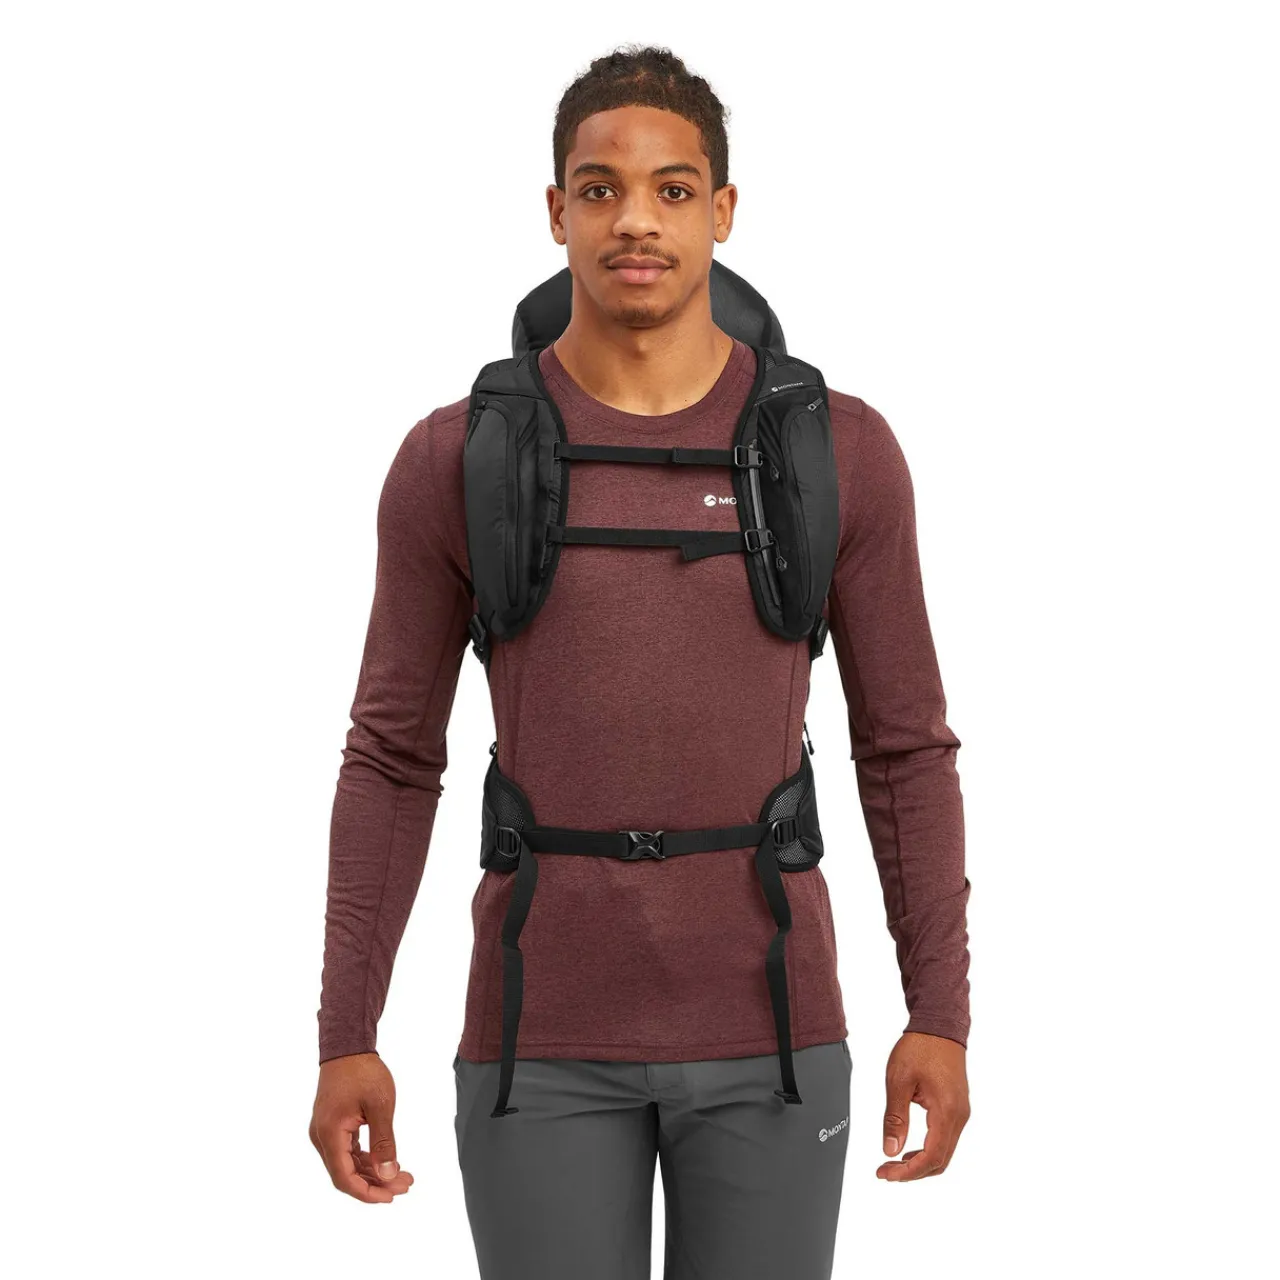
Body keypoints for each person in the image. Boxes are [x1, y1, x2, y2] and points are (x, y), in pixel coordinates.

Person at [309, 43, 971, 1280]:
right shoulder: (454, 459)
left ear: (722, 210)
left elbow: (903, 750)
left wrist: (939, 1010)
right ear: (554, 209)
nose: (634, 220)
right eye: (599, 187)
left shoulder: (837, 452)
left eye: (672, 189)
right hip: (533, 1043)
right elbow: (391, 758)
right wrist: (346, 1028)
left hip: (774, 1038)